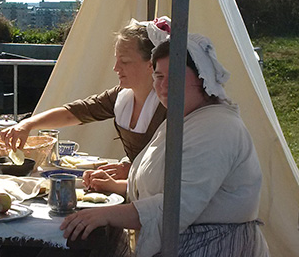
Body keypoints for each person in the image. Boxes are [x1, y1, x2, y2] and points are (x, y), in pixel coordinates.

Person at [61, 35, 269, 257]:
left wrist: (105, 215)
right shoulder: (184, 120)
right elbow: (164, 185)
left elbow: (177, 206)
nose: (163, 85)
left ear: (203, 78)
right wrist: (116, 186)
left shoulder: (218, 127)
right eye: (158, 76)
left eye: (175, 76)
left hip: (214, 247)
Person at [0, 17, 171, 179]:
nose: (115, 68)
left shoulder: (170, 106)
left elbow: (176, 167)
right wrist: (27, 124)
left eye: (124, 61)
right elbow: (76, 112)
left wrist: (132, 170)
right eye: (116, 60)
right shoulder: (121, 96)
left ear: (151, 64)